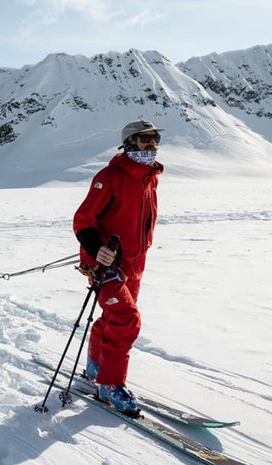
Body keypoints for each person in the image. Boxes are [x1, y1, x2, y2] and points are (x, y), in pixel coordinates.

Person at [73, 119, 165, 415]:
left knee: (114, 316)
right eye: (144, 139)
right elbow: (83, 220)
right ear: (129, 143)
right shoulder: (110, 176)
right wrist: (95, 250)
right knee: (125, 318)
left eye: (155, 138)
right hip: (104, 264)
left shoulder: (149, 178)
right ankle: (110, 385)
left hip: (134, 264)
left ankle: (95, 366)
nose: (151, 144)